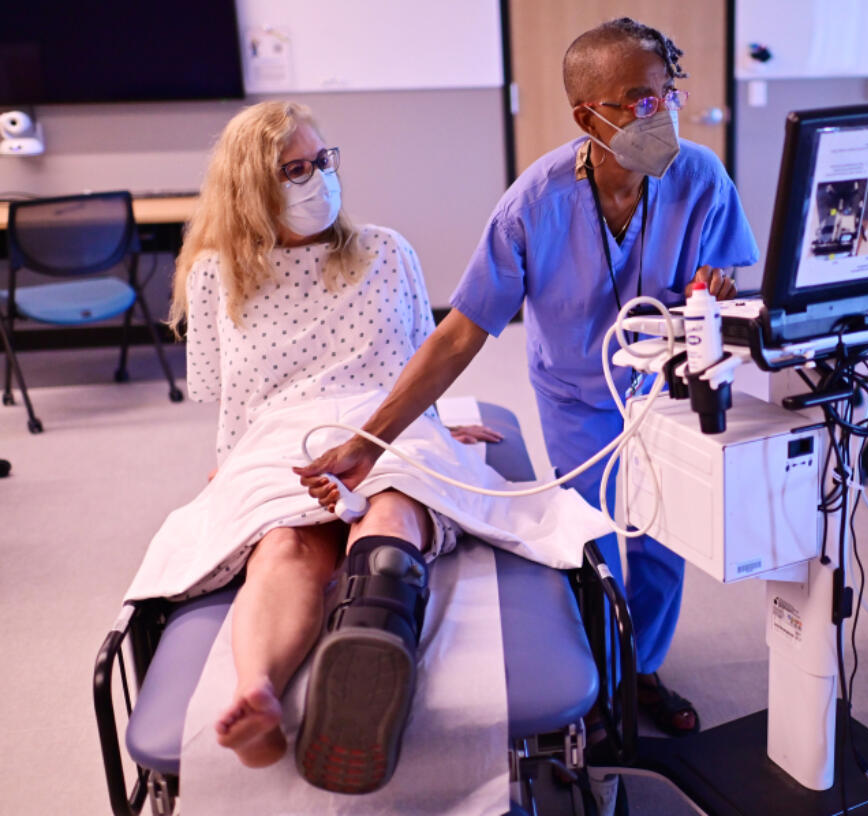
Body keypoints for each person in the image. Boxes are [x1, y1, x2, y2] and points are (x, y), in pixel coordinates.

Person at [298, 18, 758, 737]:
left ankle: (641, 671)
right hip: (577, 393)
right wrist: (370, 440)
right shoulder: (534, 204)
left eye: (667, 93)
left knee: (667, 538)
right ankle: (599, 683)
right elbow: (459, 335)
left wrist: (718, 287)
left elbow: (727, 275)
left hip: (665, 389)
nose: (660, 113)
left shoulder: (700, 178)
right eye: (638, 99)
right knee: (598, 539)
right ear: (588, 117)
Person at [149, 100, 603, 795]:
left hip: (384, 422)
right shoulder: (216, 274)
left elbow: (416, 363)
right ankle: (260, 697)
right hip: (281, 434)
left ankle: (368, 654)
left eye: (322, 161)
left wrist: (438, 428)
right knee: (284, 541)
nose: (316, 180)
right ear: (253, 187)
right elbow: (228, 396)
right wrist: (233, 470)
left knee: (391, 510)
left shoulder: (387, 251)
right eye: (293, 169)